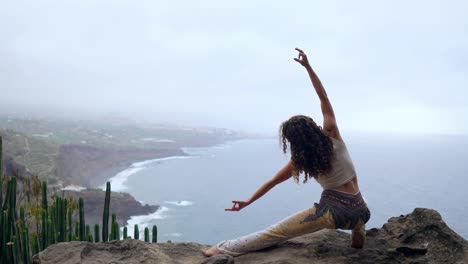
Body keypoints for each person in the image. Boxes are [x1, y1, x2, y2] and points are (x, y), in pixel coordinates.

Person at [202, 48, 371, 257]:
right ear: (312, 126)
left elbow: (272, 182)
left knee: (276, 232)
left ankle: (221, 249)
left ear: (293, 142)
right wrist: (308, 67)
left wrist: (247, 202)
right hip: (362, 209)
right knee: (354, 193)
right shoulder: (333, 134)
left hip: (334, 215)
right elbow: (323, 96)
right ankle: (358, 228)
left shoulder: (301, 160)